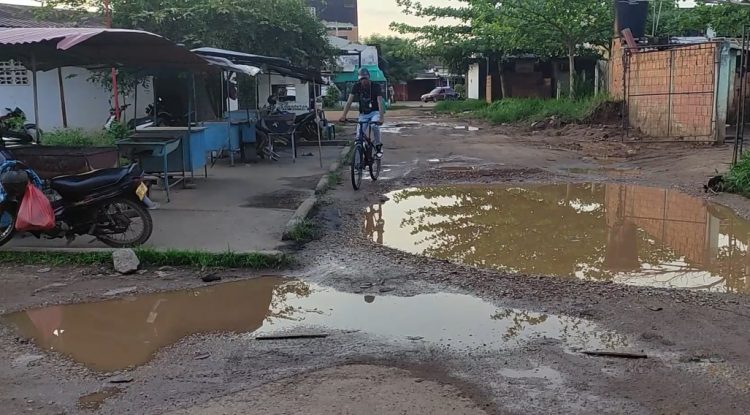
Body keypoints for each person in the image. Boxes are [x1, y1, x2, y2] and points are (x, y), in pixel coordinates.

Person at [339, 68, 385, 158]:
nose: (364, 81)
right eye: (362, 79)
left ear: (369, 78)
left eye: (365, 79)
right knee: (358, 138)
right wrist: (343, 115)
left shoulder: (376, 87)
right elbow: (349, 102)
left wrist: (381, 118)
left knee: (374, 126)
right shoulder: (356, 86)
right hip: (363, 114)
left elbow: (380, 102)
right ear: (359, 80)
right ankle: (357, 162)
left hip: (374, 112)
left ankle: (378, 145)